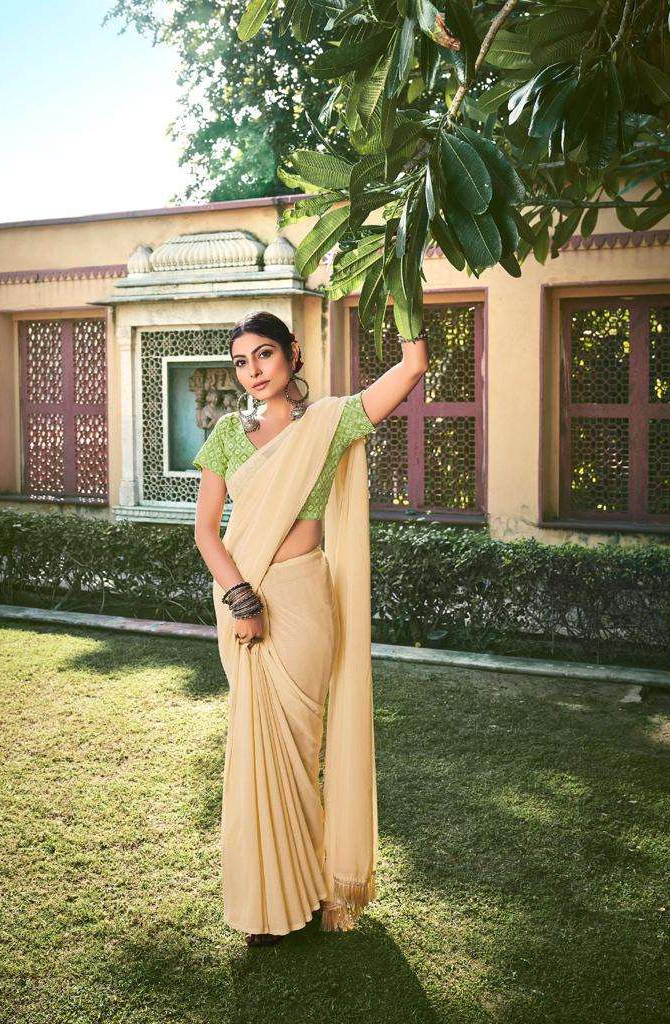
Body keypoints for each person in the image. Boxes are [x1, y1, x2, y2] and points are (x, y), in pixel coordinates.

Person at [192, 310, 428, 946]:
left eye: (264, 354)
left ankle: (306, 889)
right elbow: (206, 533)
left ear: (292, 353)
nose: (253, 371)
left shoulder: (328, 423)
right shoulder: (226, 435)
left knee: (300, 748)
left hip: (302, 600)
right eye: (241, 362)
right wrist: (240, 597)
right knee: (254, 750)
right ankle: (270, 903)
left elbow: (411, 369)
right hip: (242, 600)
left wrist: (404, 298)